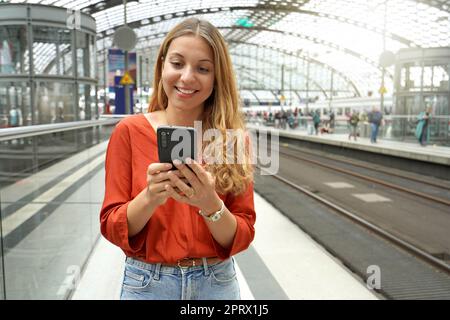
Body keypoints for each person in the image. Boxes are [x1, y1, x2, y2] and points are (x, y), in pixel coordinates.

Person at [100, 18, 255, 300]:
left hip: (217, 283)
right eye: (177, 63)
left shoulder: (233, 139)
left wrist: (211, 204)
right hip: (147, 284)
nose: (186, 77)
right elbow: (112, 226)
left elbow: (241, 235)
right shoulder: (129, 132)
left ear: (217, 77)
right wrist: (149, 198)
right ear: (162, 66)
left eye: (203, 68)